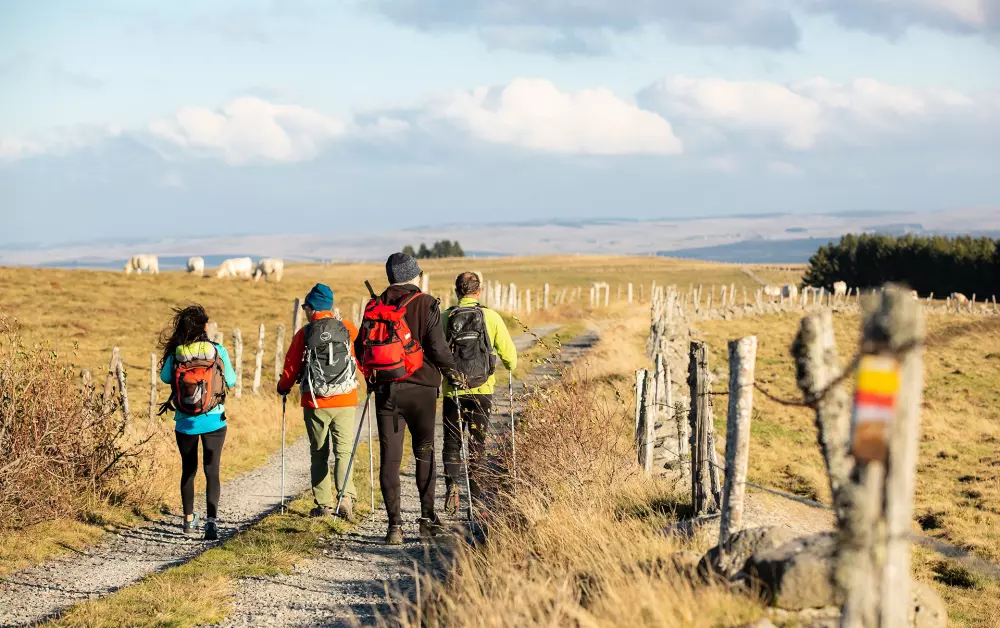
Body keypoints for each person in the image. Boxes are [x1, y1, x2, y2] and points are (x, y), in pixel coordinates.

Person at [356, 252, 459, 545]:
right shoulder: (426, 303)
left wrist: (371, 377)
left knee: (390, 458)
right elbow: (438, 349)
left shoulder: (374, 305)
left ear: (390, 277)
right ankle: (427, 521)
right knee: (424, 452)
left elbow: (360, 347)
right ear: (415, 275)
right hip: (422, 392)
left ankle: (394, 527)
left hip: (386, 391)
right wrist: (453, 373)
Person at [277, 283, 360, 520]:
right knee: (344, 451)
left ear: (312, 309)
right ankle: (345, 498)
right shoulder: (348, 328)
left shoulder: (304, 333)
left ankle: (323, 505)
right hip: (345, 399)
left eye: (306, 307)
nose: (305, 311)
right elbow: (359, 357)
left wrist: (283, 387)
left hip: (315, 402)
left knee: (319, 453)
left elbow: (291, 367)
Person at [158, 304, 237, 541]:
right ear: (204, 326)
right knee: (212, 471)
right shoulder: (217, 350)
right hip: (214, 419)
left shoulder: (178, 352)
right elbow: (231, 380)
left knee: (188, 470)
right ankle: (211, 524)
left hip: (185, 422)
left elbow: (164, 378)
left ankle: (189, 520)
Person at [442, 272, 517, 515]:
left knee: (452, 442)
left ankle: (452, 486)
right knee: (477, 444)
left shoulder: (446, 317)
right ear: (479, 291)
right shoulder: (491, 317)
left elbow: (436, 352)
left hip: (453, 389)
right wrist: (510, 366)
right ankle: (475, 499)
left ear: (456, 291)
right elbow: (511, 357)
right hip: (482, 389)